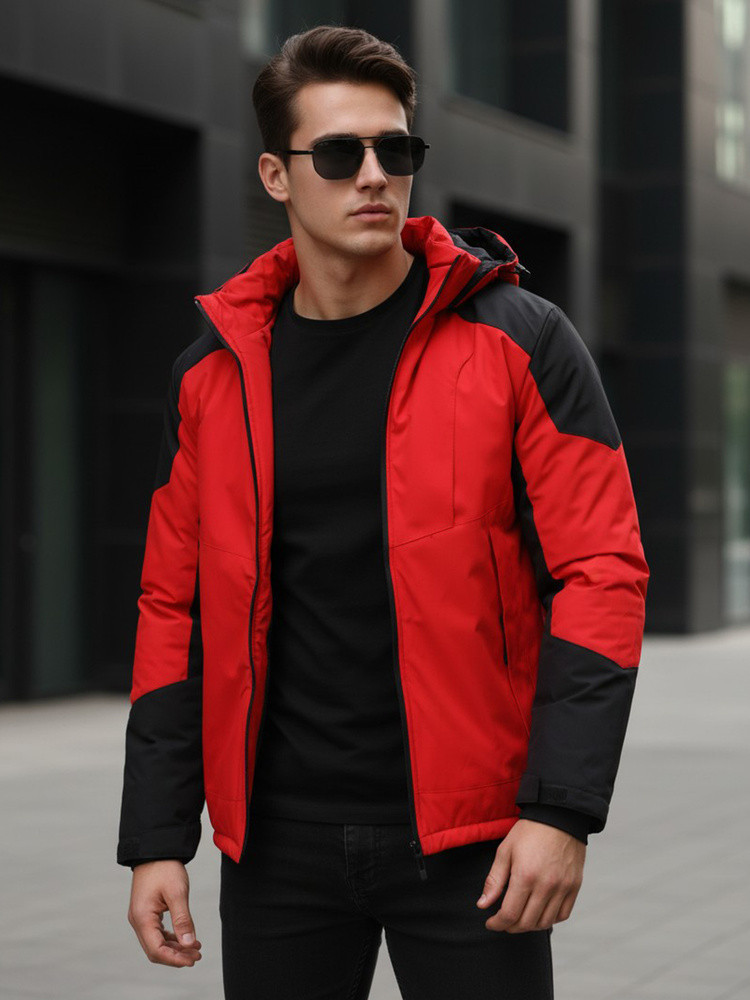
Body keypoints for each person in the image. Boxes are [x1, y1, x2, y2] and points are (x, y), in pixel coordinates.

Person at [117, 24, 649, 1000]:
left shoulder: (520, 339)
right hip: (276, 847)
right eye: (338, 153)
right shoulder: (213, 376)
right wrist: (157, 836)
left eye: (395, 150)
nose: (374, 176)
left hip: (474, 844)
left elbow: (602, 571)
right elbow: (173, 607)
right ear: (276, 177)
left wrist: (562, 809)